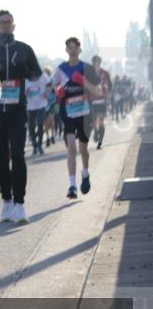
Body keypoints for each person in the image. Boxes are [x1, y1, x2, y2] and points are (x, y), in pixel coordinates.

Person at [0, 10, 41, 224]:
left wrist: (25, 71)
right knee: (1, 156)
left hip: (17, 110)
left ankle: (20, 204)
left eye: (8, 22)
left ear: (14, 25)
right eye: (1, 22)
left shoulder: (24, 49)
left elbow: (37, 74)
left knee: (19, 154)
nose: (5, 25)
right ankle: (6, 200)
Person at [53, 37, 101, 199]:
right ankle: (72, 186)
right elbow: (54, 87)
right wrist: (58, 91)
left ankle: (85, 173)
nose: (73, 50)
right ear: (66, 50)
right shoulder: (60, 69)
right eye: (70, 48)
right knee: (72, 148)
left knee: (83, 149)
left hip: (85, 113)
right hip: (68, 112)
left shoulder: (87, 68)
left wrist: (83, 81)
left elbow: (96, 91)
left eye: (76, 48)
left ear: (80, 50)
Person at [25, 66, 51, 156]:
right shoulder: (25, 76)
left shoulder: (42, 75)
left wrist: (47, 93)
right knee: (31, 127)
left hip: (41, 105)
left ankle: (40, 145)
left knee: (40, 123)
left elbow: (50, 84)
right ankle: (34, 146)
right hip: (30, 106)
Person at [89, 55, 112, 149]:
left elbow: (110, 85)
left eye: (98, 62)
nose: (96, 64)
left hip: (102, 99)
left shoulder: (105, 73)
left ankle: (100, 143)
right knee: (94, 121)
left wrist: (108, 93)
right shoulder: (89, 73)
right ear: (92, 63)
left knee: (101, 121)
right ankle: (96, 131)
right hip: (92, 100)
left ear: (100, 63)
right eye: (94, 62)